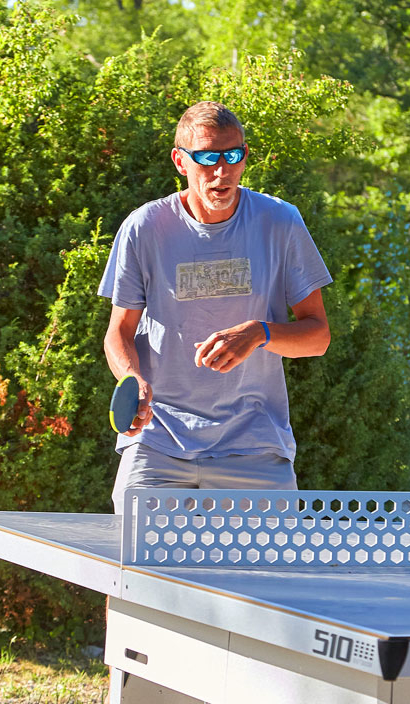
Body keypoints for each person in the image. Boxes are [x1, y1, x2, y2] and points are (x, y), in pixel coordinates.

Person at [98, 101, 332, 514]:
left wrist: (261, 333)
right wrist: (131, 379)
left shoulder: (281, 221)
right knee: (138, 572)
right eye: (207, 157)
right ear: (180, 160)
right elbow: (118, 332)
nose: (222, 171)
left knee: (270, 577)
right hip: (158, 440)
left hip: (254, 445)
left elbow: (317, 337)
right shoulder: (144, 227)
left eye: (233, 155)